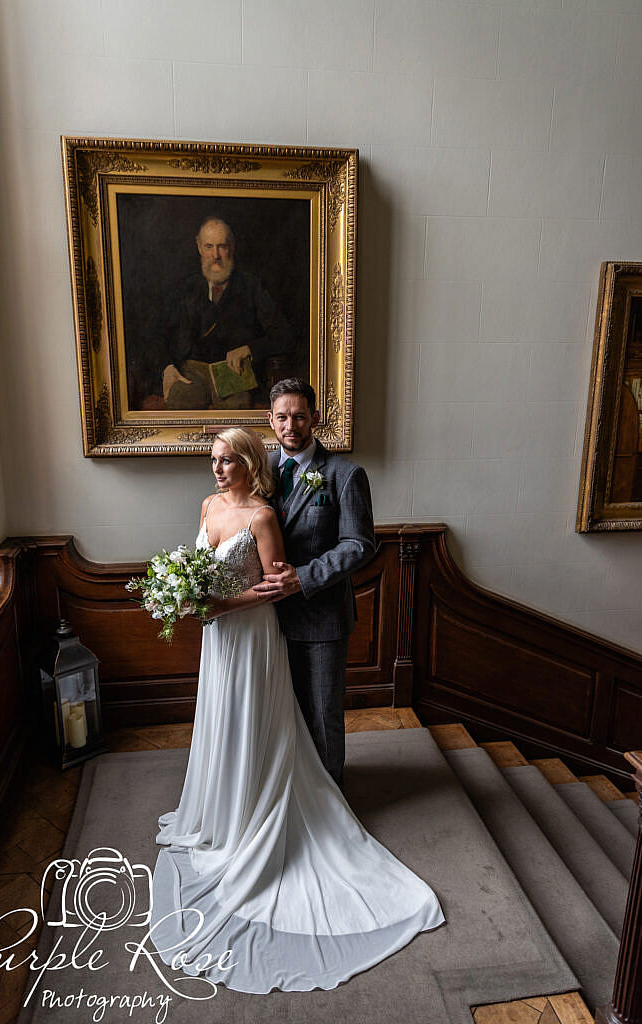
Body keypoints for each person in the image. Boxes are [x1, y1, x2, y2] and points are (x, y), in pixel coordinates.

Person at [149, 427, 444, 993]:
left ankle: (301, 804)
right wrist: (184, 596)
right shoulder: (209, 505)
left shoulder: (267, 513)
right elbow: (200, 566)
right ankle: (221, 809)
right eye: (213, 459)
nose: (216, 468)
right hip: (220, 638)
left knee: (283, 720)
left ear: (246, 460)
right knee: (222, 721)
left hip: (253, 630)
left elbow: (273, 588)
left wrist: (213, 605)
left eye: (227, 459)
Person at [251, 378, 374, 792]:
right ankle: (290, 796)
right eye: (282, 417)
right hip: (266, 619)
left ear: (315, 418)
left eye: (299, 416)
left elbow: (359, 545)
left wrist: (302, 578)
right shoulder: (260, 469)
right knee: (278, 713)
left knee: (322, 714)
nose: (291, 425)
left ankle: (331, 803)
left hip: (322, 617)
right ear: (269, 420)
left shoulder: (344, 474)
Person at [162, 217, 294, 410]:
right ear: (199, 248)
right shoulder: (184, 288)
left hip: (233, 373)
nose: (215, 255)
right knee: (180, 402)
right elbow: (158, 335)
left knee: (236, 416)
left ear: (231, 247)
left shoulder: (251, 286)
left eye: (222, 246)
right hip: (190, 373)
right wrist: (167, 367)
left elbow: (284, 334)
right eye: (209, 247)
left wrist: (249, 348)